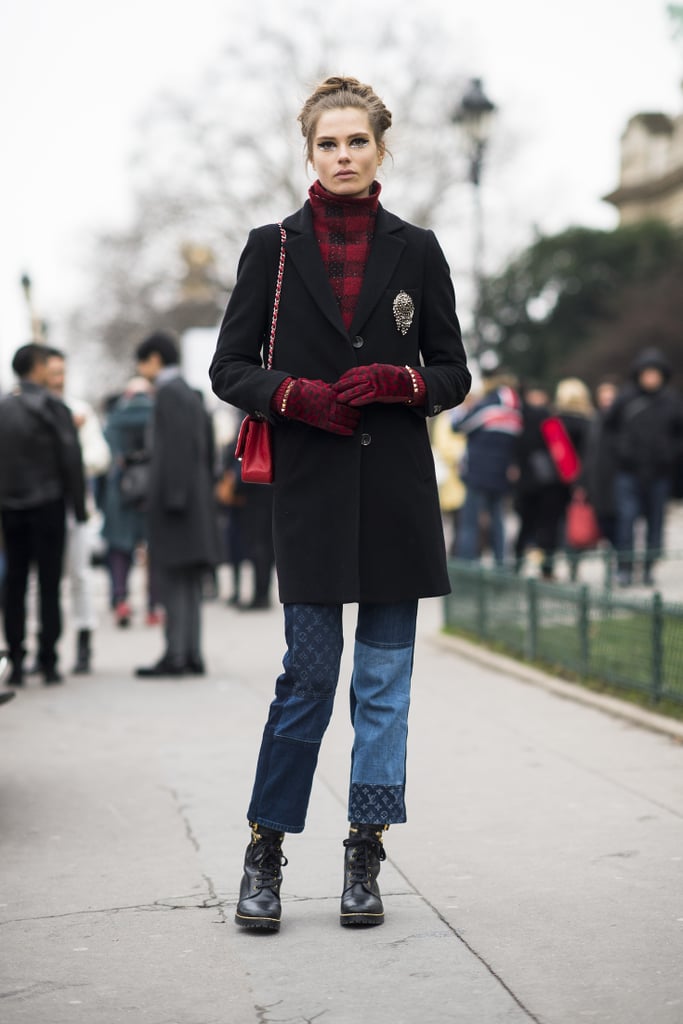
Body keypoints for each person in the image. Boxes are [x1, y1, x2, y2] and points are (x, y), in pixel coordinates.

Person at [209, 75, 470, 932]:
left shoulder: (418, 248)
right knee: (310, 678)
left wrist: (403, 380)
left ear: (379, 148)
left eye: (357, 141)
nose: (344, 155)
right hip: (312, 495)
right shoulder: (272, 248)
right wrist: (292, 396)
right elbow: (229, 368)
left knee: (385, 685)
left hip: (395, 497)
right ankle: (265, 850)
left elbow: (452, 373)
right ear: (309, 152)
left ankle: (365, 850)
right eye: (329, 143)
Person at [134, 331, 220, 677]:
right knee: (189, 582)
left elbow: (175, 451)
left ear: (154, 359)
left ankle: (176, 655)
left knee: (173, 580)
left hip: (176, 504)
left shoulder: (168, 393)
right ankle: (190, 653)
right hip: (192, 500)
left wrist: (172, 498)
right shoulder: (190, 393)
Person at [0, 343, 86, 685]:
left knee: (14, 585)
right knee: (49, 585)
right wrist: (78, 508)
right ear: (37, 368)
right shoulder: (54, 407)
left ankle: (16, 661)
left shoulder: (3, 408)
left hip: (10, 508)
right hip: (49, 505)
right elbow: (71, 460)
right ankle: (48, 660)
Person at [44, 347, 111, 673]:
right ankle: (47, 648)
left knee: (80, 576)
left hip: (75, 507)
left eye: (62, 372)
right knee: (44, 580)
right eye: (53, 373)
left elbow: (99, 456)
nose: (58, 379)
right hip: (43, 506)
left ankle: (84, 642)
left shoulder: (78, 411)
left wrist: (69, 459)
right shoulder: (31, 410)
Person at [605, 348, 683, 587]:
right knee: (626, 519)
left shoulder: (671, 401)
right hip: (628, 472)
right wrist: (623, 452)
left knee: (655, 522)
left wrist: (669, 454)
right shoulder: (626, 399)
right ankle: (625, 568)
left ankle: (649, 567)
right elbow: (609, 429)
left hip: (658, 473)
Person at [101, 376, 159, 626]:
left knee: (119, 550)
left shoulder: (114, 419)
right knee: (154, 551)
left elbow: (106, 456)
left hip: (120, 491)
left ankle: (121, 600)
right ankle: (153, 607)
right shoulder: (157, 414)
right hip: (151, 489)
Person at [451, 370, 522, 567]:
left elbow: (458, 427)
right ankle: (501, 567)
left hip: (478, 471)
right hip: (501, 473)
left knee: (470, 523)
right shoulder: (516, 409)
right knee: (497, 522)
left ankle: (467, 566)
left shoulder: (487, 405)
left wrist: (460, 410)